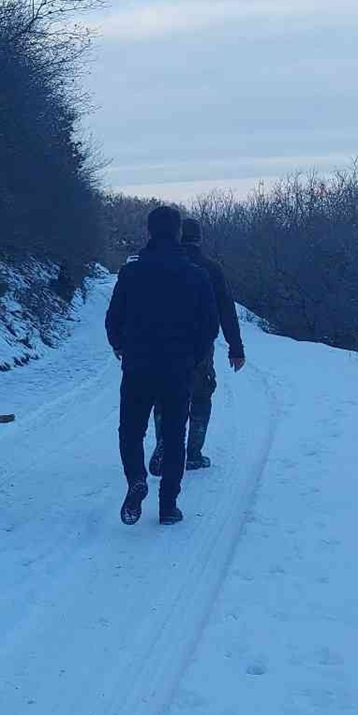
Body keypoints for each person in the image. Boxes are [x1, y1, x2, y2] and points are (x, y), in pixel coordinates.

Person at [106, 205, 219, 526]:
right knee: (173, 436)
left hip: (138, 366)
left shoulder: (131, 272)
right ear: (179, 234)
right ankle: (168, 506)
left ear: (149, 231)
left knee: (130, 430)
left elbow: (113, 318)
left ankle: (136, 480)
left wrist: (120, 346)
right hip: (178, 367)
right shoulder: (196, 275)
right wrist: (193, 356)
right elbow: (210, 325)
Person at [149, 216, 246, 474]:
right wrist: (236, 348)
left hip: (163, 343)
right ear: (199, 238)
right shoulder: (211, 268)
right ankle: (192, 454)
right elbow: (227, 310)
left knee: (164, 395)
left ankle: (165, 446)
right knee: (201, 395)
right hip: (200, 345)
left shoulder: (160, 264)